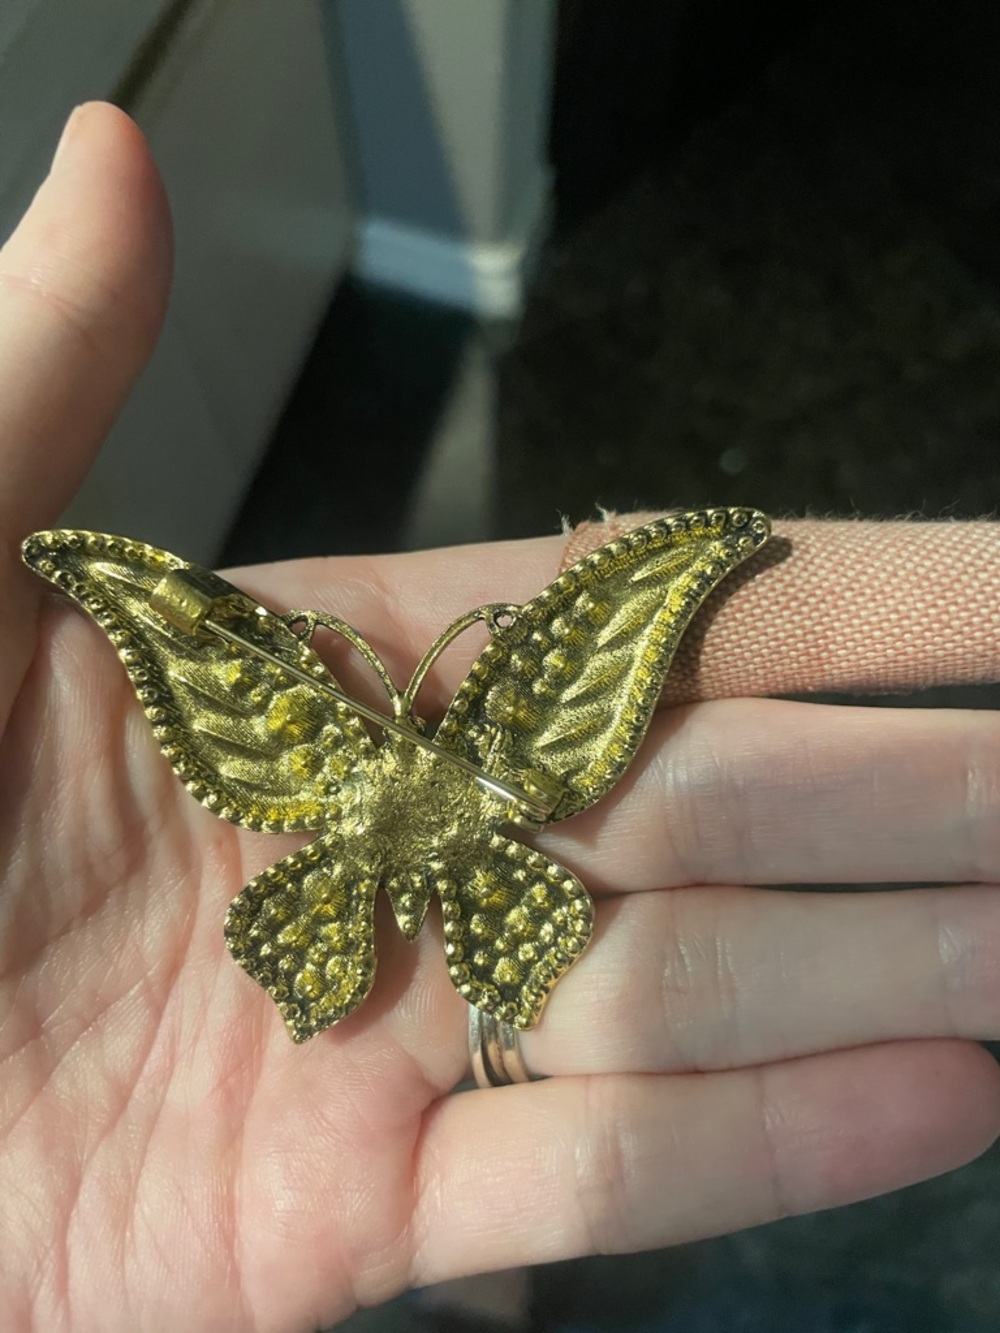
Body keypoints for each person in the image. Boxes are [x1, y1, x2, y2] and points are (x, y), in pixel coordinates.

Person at [1, 103, 998, 1332]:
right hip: (471, 878)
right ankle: (474, 1291)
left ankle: (471, 1291)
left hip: (364, 883)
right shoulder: (503, 733)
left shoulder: (324, 743)